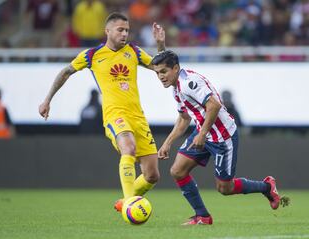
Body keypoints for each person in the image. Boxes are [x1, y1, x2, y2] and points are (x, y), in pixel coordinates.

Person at [39, 12, 166, 212]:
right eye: (120, 30)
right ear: (107, 31)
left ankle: (125, 201)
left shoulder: (134, 51)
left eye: (127, 30)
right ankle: (130, 203)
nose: (125, 34)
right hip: (115, 115)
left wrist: (160, 45)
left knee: (152, 175)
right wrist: (47, 99)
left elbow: (160, 67)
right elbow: (66, 72)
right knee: (128, 148)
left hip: (138, 117)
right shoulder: (92, 55)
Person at [151, 50, 289, 226]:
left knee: (225, 188)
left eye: (164, 71)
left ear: (176, 68)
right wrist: (167, 143)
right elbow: (184, 119)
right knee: (177, 171)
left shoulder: (188, 83)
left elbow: (214, 105)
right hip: (203, 133)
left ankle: (267, 187)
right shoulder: (176, 89)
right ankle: (202, 216)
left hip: (222, 137)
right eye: (157, 73)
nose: (160, 77)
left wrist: (202, 134)